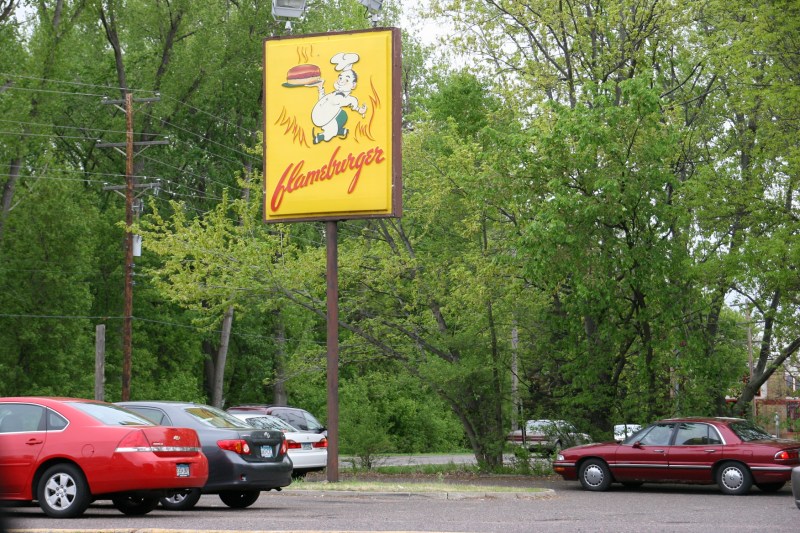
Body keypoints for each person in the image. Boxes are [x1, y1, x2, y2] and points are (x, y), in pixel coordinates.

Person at [310, 68, 367, 144]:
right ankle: (341, 131)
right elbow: (322, 100)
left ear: (353, 85)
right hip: (324, 117)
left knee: (330, 131)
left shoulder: (347, 98)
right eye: (340, 78)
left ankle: (321, 136)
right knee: (330, 127)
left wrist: (360, 110)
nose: (341, 81)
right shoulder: (333, 94)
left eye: (346, 80)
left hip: (337, 117)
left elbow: (351, 103)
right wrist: (320, 87)